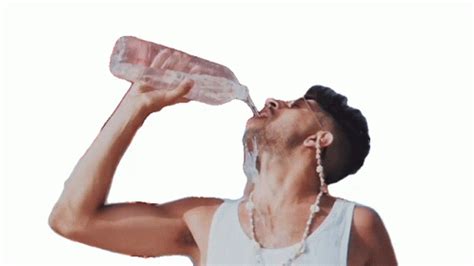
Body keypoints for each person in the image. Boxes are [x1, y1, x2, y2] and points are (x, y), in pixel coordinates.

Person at [48, 79, 397, 265]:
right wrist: (135, 107)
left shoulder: (356, 227)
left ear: (318, 139)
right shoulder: (205, 222)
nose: (274, 100)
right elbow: (71, 219)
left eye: (296, 106)